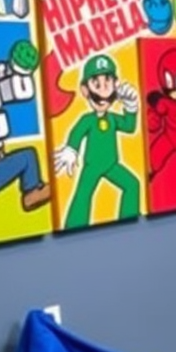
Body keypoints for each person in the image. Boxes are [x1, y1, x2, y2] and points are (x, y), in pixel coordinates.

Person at [54, 54, 140, 228]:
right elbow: (77, 132)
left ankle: (129, 219)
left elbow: (129, 127)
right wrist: (71, 150)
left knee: (132, 184)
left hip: (111, 164)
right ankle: (74, 227)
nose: (103, 91)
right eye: (96, 84)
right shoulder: (88, 120)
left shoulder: (113, 118)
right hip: (92, 165)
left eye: (108, 83)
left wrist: (131, 107)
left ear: (116, 85)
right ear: (85, 90)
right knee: (83, 194)